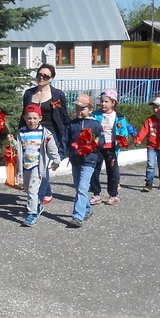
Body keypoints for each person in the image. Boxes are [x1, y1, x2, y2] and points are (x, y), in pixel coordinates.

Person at [20, 64, 71, 206]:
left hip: (50, 134)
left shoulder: (57, 94)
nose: (41, 77)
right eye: (39, 74)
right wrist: (19, 132)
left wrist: (71, 132)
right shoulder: (29, 93)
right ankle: (47, 192)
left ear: (51, 78)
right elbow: (24, 114)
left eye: (46, 76)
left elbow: (64, 115)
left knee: (41, 164)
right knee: (36, 163)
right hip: (31, 133)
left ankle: (38, 199)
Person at [14, 104, 61, 227]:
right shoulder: (22, 132)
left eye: (35, 118)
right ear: (25, 118)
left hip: (37, 167)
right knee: (27, 189)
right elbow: (19, 147)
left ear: (40, 118)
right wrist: (11, 141)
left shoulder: (44, 133)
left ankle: (32, 213)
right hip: (25, 166)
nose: (32, 121)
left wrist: (56, 160)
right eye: (29, 118)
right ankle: (38, 206)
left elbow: (52, 148)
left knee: (32, 191)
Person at [89, 89, 135, 206]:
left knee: (112, 171)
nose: (102, 104)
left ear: (113, 103)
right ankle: (96, 194)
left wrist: (123, 138)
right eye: (101, 101)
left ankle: (113, 195)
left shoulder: (119, 117)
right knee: (95, 170)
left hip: (111, 148)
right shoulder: (95, 115)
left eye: (106, 102)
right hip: (98, 147)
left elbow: (123, 130)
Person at [65, 94, 103, 228]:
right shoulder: (71, 125)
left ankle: (77, 217)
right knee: (78, 187)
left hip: (89, 160)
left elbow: (102, 141)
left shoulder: (96, 125)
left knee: (82, 188)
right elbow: (65, 141)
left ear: (90, 109)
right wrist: (60, 154)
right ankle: (87, 209)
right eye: (77, 108)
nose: (79, 111)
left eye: (83, 108)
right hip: (75, 160)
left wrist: (96, 142)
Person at [136, 96, 160, 191]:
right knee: (150, 164)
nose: (155, 109)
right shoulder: (150, 120)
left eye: (157, 107)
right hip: (151, 146)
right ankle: (148, 184)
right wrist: (139, 139)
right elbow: (144, 130)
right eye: (154, 107)